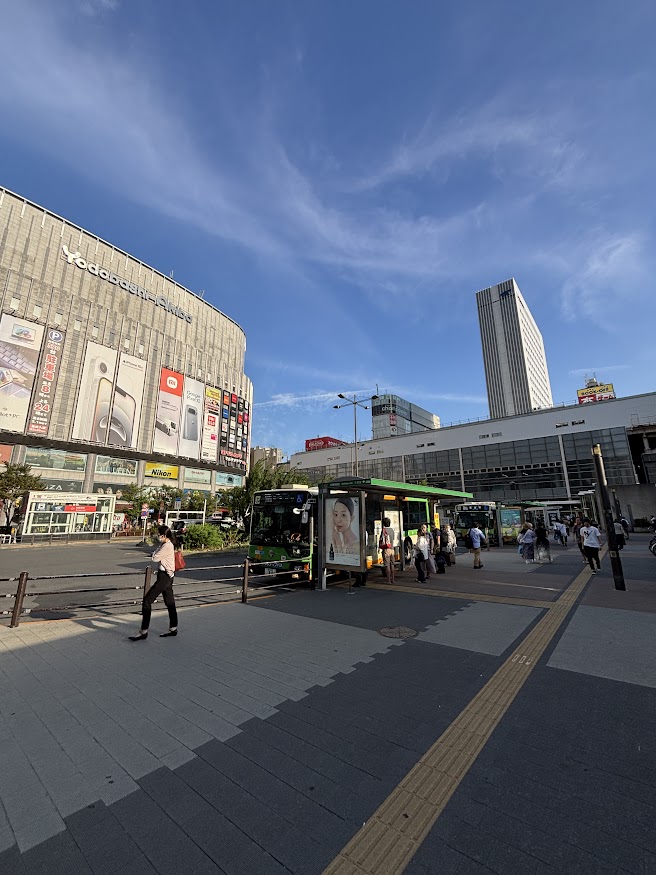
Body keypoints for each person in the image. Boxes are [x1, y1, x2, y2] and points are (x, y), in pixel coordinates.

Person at [130, 525, 178, 640]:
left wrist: (156, 551)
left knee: (147, 601)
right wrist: (157, 550)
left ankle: (144, 631)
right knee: (169, 602)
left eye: (159, 534)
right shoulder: (167, 544)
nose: (158, 536)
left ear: (164, 535)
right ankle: (173, 628)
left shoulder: (166, 546)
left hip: (164, 577)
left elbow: (155, 558)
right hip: (168, 576)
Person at [379, 517, 396, 584]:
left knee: (387, 565)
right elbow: (393, 539)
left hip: (386, 549)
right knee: (392, 564)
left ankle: (388, 580)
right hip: (392, 549)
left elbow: (381, 540)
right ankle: (393, 579)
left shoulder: (384, 530)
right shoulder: (392, 530)